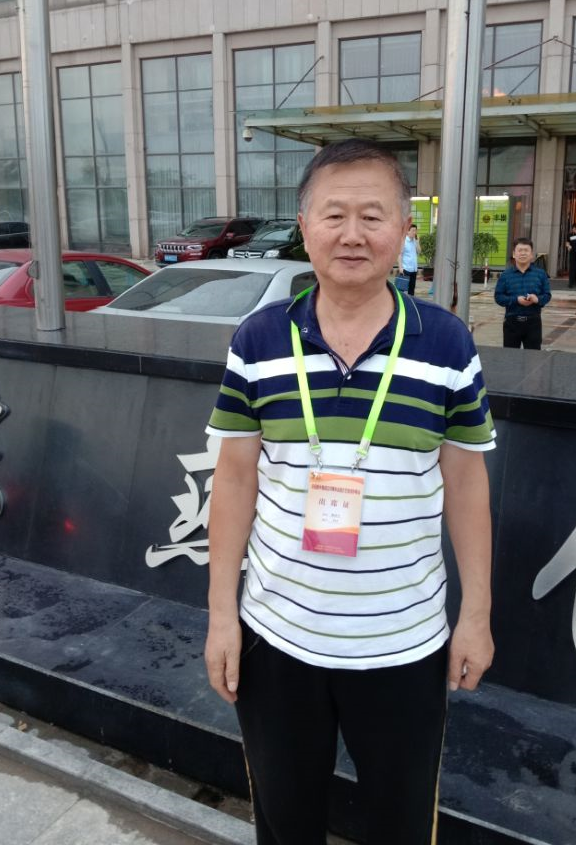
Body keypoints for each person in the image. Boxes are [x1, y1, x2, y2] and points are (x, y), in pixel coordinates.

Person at [204, 138, 496, 845]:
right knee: (285, 824)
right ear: (305, 229)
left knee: (401, 826)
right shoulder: (259, 339)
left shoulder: (446, 343)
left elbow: (466, 482)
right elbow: (235, 479)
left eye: (373, 215)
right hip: (277, 638)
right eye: (334, 215)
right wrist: (220, 617)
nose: (353, 234)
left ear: (404, 231)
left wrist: (476, 615)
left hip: (405, 644)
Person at [494, 238, 552, 350]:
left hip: (533, 322)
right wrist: (516, 300)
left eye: (526, 250)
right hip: (512, 322)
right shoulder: (505, 275)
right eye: (520, 250)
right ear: (514, 254)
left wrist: (536, 299)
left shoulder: (540, 274)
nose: (523, 253)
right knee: (510, 355)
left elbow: (547, 295)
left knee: (533, 356)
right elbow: (498, 297)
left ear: (531, 255)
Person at [398, 222, 421, 296]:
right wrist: (400, 267)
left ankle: (410, 301)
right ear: (408, 231)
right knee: (402, 290)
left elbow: (419, 251)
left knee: (411, 290)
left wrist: (417, 242)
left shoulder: (415, 241)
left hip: (414, 270)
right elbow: (400, 255)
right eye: (413, 230)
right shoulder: (404, 241)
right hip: (406, 269)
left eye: (415, 231)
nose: (415, 232)